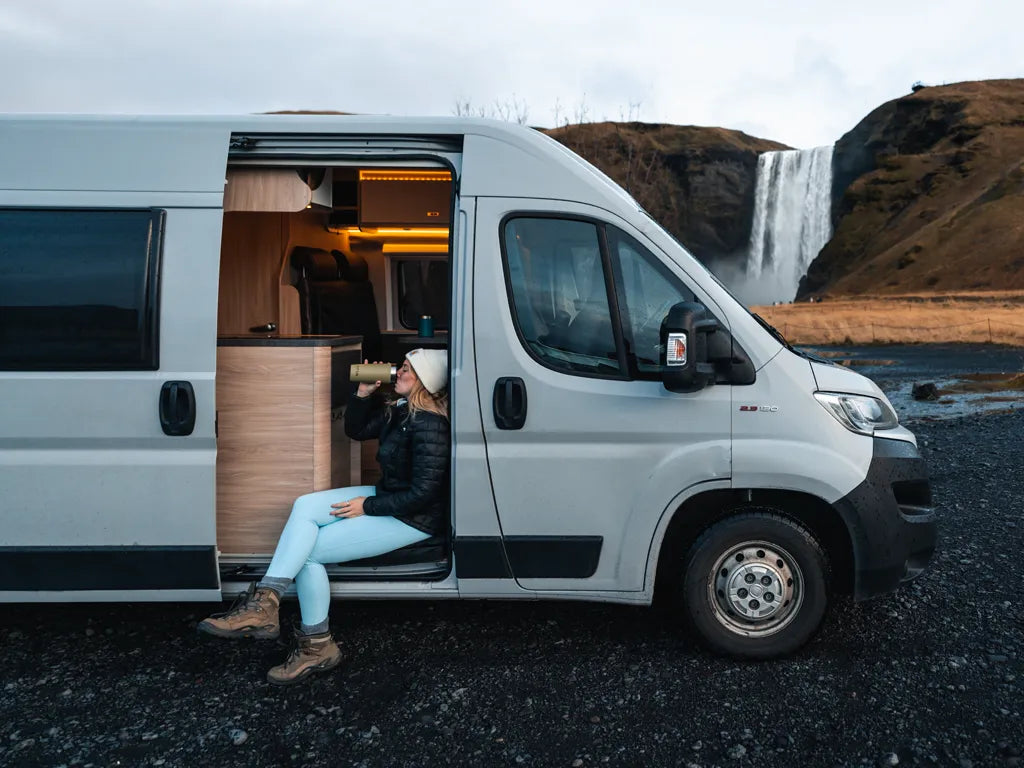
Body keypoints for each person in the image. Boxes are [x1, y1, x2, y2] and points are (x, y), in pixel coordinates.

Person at [198, 348, 450, 685]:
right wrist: (363, 393)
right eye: (402, 367)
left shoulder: (430, 423)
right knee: (305, 505)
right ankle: (266, 603)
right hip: (390, 498)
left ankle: (317, 646)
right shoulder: (402, 411)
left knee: (310, 553)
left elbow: (425, 493)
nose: (398, 372)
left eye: (407, 369)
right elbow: (357, 431)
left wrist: (367, 507)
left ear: (426, 381)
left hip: (412, 518)